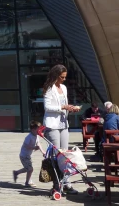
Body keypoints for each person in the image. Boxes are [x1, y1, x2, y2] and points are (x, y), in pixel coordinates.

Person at [43, 64, 80, 194]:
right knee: (56, 156)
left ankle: (67, 183)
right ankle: (56, 184)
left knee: (65, 155)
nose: (64, 79)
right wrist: (63, 108)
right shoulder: (49, 88)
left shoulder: (63, 88)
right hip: (52, 125)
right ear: (56, 76)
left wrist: (71, 108)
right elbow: (47, 107)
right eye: (62, 77)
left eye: (65, 77)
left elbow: (63, 105)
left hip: (64, 124)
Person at [13, 119, 42, 187]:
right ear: (32, 130)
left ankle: (16, 173)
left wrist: (43, 152)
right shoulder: (29, 137)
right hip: (24, 155)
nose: (39, 131)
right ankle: (27, 182)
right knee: (30, 169)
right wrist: (34, 148)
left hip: (28, 156)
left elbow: (39, 144)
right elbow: (26, 146)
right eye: (37, 129)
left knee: (27, 169)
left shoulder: (36, 136)